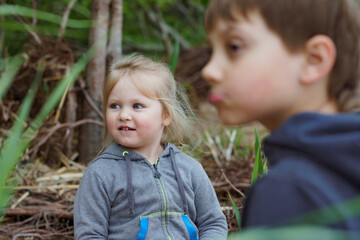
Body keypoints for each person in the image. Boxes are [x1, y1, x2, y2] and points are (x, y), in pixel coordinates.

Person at [202, 0, 360, 230]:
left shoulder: (287, 192)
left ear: (313, 59)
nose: (208, 71)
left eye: (234, 47)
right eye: (211, 51)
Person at [74, 53, 228, 239]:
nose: (123, 115)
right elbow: (89, 235)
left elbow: (213, 222)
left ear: (165, 115)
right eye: (114, 106)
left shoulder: (189, 169)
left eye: (137, 106)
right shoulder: (100, 175)